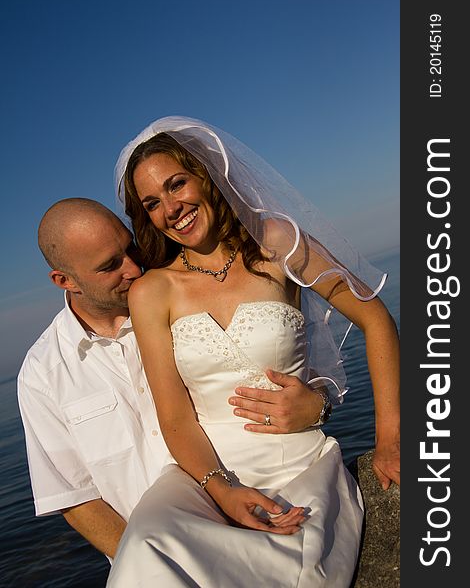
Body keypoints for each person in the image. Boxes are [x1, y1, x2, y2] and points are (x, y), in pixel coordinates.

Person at [106, 116, 400, 587]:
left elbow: (375, 318)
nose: (171, 208)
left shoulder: (276, 242)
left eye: (176, 184)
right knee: (146, 546)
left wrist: (389, 437)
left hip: (297, 462)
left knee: (293, 563)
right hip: (204, 476)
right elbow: (176, 416)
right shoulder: (151, 292)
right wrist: (223, 492)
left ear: (206, 173)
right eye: (152, 203)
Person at [17, 197, 328, 561]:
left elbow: (281, 371)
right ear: (64, 280)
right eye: (110, 266)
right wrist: (146, 565)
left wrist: (319, 407)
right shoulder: (41, 376)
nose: (133, 268)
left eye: (129, 246)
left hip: (259, 501)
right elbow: (76, 499)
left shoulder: (181, 303)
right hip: (167, 555)